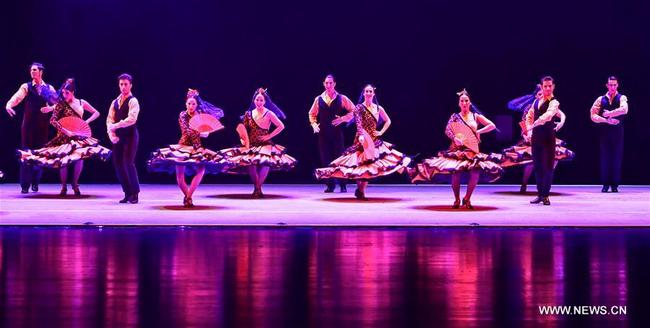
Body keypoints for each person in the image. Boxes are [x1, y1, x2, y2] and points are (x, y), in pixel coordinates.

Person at [409, 89, 501, 209]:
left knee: (475, 172)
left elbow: (492, 125)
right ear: (459, 103)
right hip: (457, 149)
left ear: (470, 103)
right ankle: (457, 199)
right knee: (456, 172)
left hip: (472, 150)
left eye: (466, 100)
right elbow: (447, 130)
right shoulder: (455, 117)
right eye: (461, 101)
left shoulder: (475, 116)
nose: (464, 103)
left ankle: (467, 198)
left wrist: (478, 131)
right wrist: (454, 138)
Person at [315, 84, 411, 200]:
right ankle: (359, 189)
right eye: (367, 91)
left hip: (374, 140)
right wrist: (361, 135)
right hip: (361, 140)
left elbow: (388, 120)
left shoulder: (378, 108)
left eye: (370, 91)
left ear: (373, 93)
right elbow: (359, 123)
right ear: (364, 93)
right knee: (360, 166)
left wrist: (381, 132)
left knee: (370, 167)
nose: (369, 93)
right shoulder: (359, 107)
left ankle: (361, 190)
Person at [18, 78, 109, 196]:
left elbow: (96, 113)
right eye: (64, 93)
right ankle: (64, 186)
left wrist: (86, 122)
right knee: (64, 161)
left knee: (80, 158)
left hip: (78, 135)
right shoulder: (60, 104)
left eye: (67, 93)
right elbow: (53, 121)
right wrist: (66, 131)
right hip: (63, 136)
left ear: (73, 92)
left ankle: (75, 183)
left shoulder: (81, 102)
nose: (65, 95)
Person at [148, 89, 229, 207]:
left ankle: (188, 197)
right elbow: (187, 130)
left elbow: (213, 118)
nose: (191, 106)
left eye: (193, 104)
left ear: (197, 105)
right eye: (189, 103)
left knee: (201, 170)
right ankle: (188, 196)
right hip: (183, 146)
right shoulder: (183, 115)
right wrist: (201, 133)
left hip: (197, 147)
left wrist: (207, 132)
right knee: (180, 176)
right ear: (186, 103)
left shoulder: (200, 115)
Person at [219, 88, 296, 198]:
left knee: (265, 163)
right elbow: (243, 131)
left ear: (264, 102)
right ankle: (257, 187)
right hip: (251, 144)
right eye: (257, 100)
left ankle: (258, 187)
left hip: (264, 144)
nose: (259, 102)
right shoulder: (248, 114)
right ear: (254, 101)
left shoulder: (269, 113)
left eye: (261, 100)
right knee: (251, 164)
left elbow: (281, 126)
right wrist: (243, 140)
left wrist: (269, 136)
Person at [501, 85, 574, 193]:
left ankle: (546, 180)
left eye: (543, 94)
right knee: (531, 161)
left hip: (547, 136)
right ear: (535, 96)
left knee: (555, 157)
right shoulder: (531, 107)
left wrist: (561, 122)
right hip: (532, 137)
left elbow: (561, 114)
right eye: (539, 94)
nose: (541, 96)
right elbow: (525, 122)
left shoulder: (550, 105)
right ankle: (525, 184)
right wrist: (527, 133)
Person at [5, 62, 56, 193]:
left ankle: (35, 183)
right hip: (28, 126)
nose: (32, 72)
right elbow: (17, 97)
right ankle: (24, 185)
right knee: (26, 154)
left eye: (34, 70)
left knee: (39, 155)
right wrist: (9, 105)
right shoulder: (26, 86)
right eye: (31, 70)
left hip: (42, 127)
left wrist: (50, 108)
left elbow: (58, 104)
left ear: (41, 72)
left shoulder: (48, 88)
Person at [308, 74, 356, 193]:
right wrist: (314, 124)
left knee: (340, 157)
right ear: (324, 84)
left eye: (330, 83)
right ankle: (330, 184)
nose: (328, 85)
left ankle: (343, 184)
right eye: (326, 83)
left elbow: (354, 110)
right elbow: (311, 114)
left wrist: (343, 118)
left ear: (334, 84)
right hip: (323, 133)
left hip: (336, 132)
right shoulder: (318, 99)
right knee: (326, 158)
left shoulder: (341, 98)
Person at [590, 76, 628, 193]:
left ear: (617, 85)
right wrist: (606, 120)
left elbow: (624, 110)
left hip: (618, 133)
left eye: (614, 85)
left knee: (616, 158)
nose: (612, 87)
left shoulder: (622, 97)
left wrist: (609, 114)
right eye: (610, 85)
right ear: (607, 85)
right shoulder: (601, 99)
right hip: (605, 133)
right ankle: (605, 184)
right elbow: (593, 115)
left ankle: (615, 185)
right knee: (605, 158)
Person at [107, 73, 141, 204]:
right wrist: (112, 135)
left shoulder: (133, 101)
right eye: (121, 84)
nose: (123, 86)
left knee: (128, 162)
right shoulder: (115, 102)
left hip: (130, 135)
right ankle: (127, 192)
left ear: (130, 85)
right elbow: (109, 120)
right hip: (119, 137)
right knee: (118, 164)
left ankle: (135, 193)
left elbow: (132, 119)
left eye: (125, 84)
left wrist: (116, 125)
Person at [526, 76, 559, 205]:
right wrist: (529, 130)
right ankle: (540, 194)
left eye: (550, 86)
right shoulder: (536, 102)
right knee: (538, 166)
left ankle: (546, 195)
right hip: (536, 138)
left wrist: (537, 122)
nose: (547, 88)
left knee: (548, 166)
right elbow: (529, 117)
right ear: (541, 87)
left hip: (548, 137)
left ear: (553, 86)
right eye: (545, 86)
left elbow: (549, 115)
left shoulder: (554, 102)